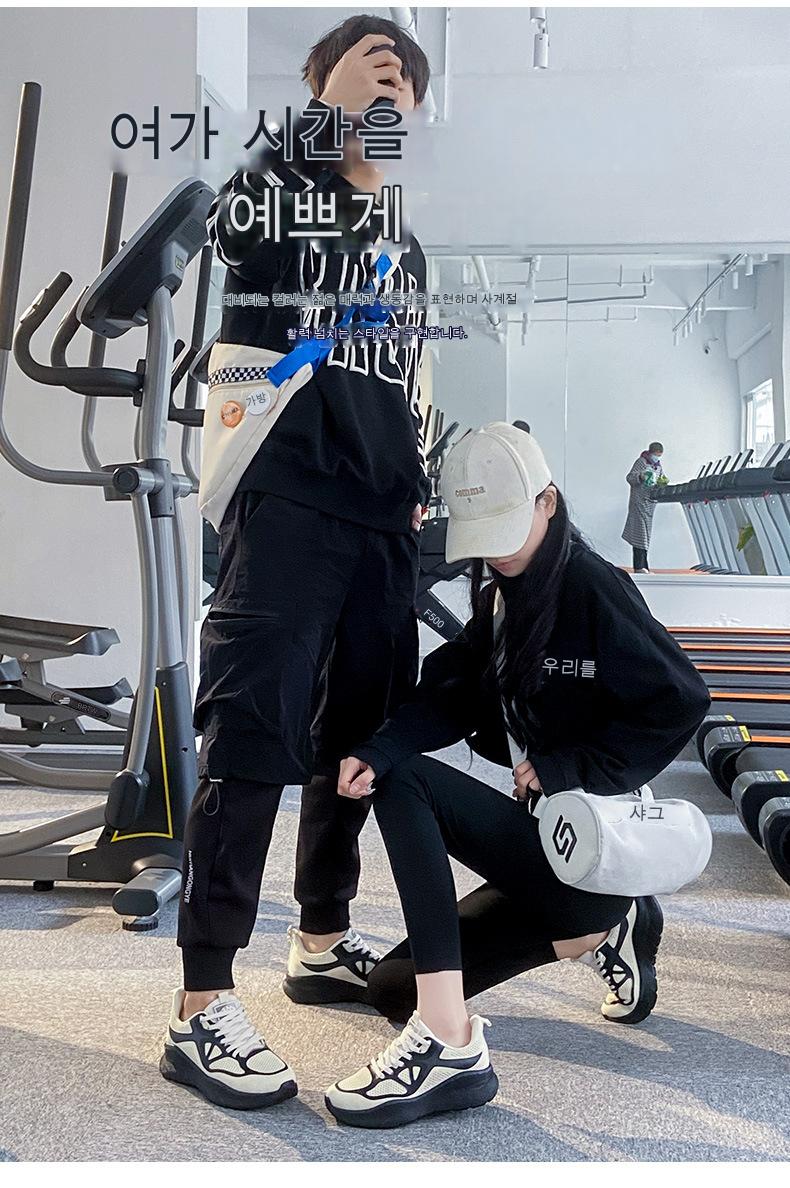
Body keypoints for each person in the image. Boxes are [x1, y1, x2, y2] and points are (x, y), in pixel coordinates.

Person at [160, 16, 433, 1111]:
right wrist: (328, 114)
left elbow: (402, 374)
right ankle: (200, 1003)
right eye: (368, 68)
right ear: (318, 87)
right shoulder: (275, 198)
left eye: (404, 83)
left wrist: (415, 479)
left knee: (355, 738)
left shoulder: (404, 243)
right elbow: (232, 227)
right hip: (284, 493)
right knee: (252, 731)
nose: (389, 84)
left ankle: (319, 938)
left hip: (381, 519)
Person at [325, 423, 710, 1129]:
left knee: (408, 783)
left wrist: (568, 766)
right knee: (391, 989)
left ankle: (450, 1042)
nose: (497, 551)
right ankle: (600, 932)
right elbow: (454, 694)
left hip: (587, 854)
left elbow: (681, 699)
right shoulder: (502, 596)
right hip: (541, 853)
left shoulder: (593, 586)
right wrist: (378, 748)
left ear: (548, 503)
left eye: (507, 527)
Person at [623, 441, 665, 571]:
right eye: (656, 454)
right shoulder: (641, 462)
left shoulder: (657, 466)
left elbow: (661, 478)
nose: (657, 457)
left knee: (645, 536)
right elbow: (630, 477)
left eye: (659, 455)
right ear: (651, 452)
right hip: (639, 503)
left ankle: (644, 566)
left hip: (650, 504)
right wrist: (640, 476)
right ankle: (639, 566)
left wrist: (662, 482)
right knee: (639, 536)